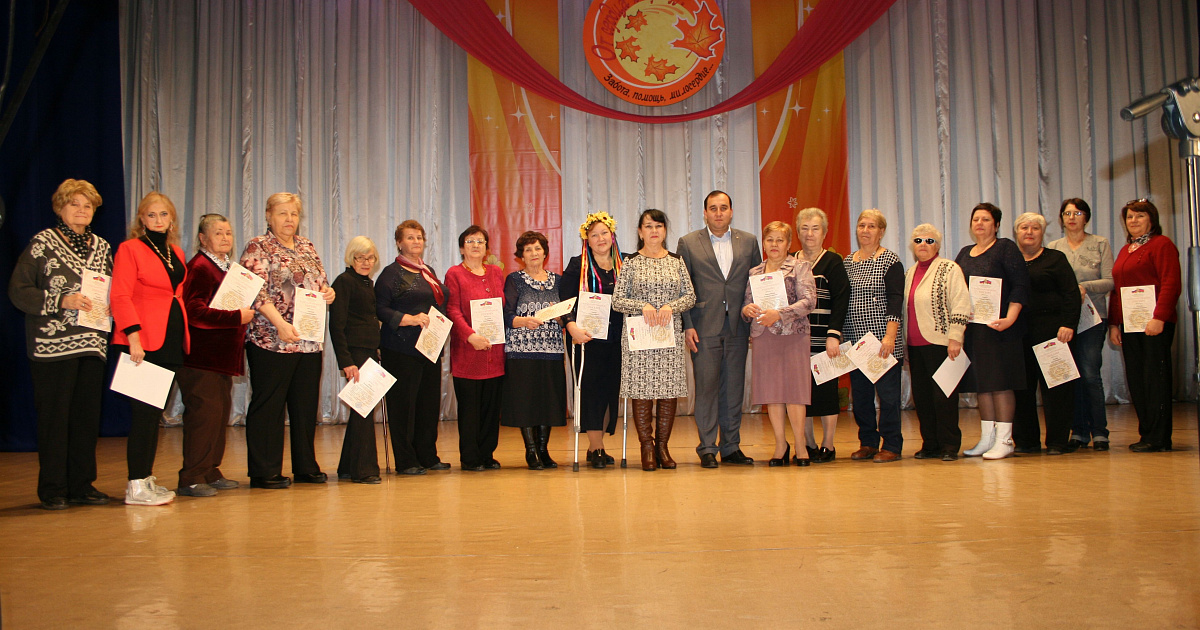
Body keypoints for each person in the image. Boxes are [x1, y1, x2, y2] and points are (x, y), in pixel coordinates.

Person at [8, 179, 114, 510]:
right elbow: (19, 290)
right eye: (74, 204)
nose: (82, 210)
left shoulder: (102, 247)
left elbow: (112, 288)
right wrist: (60, 300)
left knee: (86, 419)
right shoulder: (42, 243)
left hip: (92, 343)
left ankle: (82, 485)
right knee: (55, 419)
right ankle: (53, 488)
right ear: (60, 208)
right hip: (52, 345)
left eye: (88, 205)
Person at [239, 193, 336, 489]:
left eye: (293, 214)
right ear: (269, 216)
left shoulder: (307, 246)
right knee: (269, 406)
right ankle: (264, 470)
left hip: (308, 340)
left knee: (305, 405)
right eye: (282, 213)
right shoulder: (258, 246)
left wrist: (328, 292)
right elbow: (255, 291)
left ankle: (305, 466)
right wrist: (280, 323)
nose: (289, 219)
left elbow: (319, 282)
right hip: (271, 339)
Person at [110, 192, 190, 505]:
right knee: (143, 415)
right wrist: (133, 338)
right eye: (152, 215)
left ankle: (145, 478)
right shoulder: (130, 249)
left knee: (154, 414)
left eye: (164, 214)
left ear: (172, 219)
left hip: (169, 341)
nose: (158, 220)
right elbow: (120, 295)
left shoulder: (176, 252)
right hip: (142, 343)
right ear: (141, 219)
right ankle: (135, 485)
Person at [677, 191, 761, 468]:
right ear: (705, 213)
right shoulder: (689, 242)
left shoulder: (748, 241)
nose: (718, 213)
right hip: (703, 326)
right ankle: (707, 448)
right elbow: (683, 288)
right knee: (707, 389)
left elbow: (756, 283)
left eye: (723, 208)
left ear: (731, 211)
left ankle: (731, 446)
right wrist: (687, 325)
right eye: (713, 208)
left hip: (738, 325)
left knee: (734, 388)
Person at [176, 214, 255, 497]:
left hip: (221, 358)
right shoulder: (199, 267)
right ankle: (191, 477)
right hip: (201, 358)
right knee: (203, 417)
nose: (225, 238)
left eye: (228, 233)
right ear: (202, 238)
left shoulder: (226, 268)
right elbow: (194, 312)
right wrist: (236, 317)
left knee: (218, 415)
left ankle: (209, 470)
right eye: (218, 233)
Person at [613, 209, 696, 470]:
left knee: (668, 392)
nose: (654, 231)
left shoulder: (676, 261)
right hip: (640, 339)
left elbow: (690, 296)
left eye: (658, 226)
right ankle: (646, 448)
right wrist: (642, 305)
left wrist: (672, 306)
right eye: (648, 226)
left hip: (668, 338)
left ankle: (662, 447)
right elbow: (617, 300)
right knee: (642, 392)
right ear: (640, 232)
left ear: (665, 231)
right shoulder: (631, 262)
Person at [955, 202, 1030, 460]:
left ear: (996, 225)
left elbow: (1020, 284)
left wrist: (1010, 317)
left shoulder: (1005, 248)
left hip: (1001, 328)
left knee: (1001, 383)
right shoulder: (964, 254)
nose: (979, 223)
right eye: (976, 219)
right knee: (982, 385)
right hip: (975, 330)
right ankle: (987, 439)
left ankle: (1005, 439)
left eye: (985, 219)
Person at [377, 222, 451, 475]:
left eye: (419, 237)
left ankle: (427, 456)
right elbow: (380, 308)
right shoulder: (391, 273)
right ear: (399, 243)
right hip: (401, 349)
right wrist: (407, 319)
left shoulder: (427, 271)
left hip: (429, 348)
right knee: (403, 407)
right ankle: (406, 460)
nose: (416, 241)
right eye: (410, 237)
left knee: (428, 405)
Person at [741, 221, 816, 466]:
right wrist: (747, 310)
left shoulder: (800, 267)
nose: (774, 244)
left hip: (794, 335)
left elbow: (809, 301)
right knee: (772, 393)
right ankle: (780, 445)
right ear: (764, 243)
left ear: (789, 243)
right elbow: (747, 304)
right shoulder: (755, 272)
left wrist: (780, 314)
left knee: (795, 392)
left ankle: (800, 446)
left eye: (780, 240)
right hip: (764, 337)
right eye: (770, 240)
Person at [1109, 199, 1181, 452]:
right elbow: (1117, 290)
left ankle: (1159, 438)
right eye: (1130, 217)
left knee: (1155, 379)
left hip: (1154, 323)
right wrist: (1114, 323)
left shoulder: (1162, 244)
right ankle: (1147, 433)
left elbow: (1171, 282)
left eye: (1139, 216)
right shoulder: (1125, 250)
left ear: (1152, 219)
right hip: (1131, 324)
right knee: (1137, 379)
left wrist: (1159, 317)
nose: (1134, 221)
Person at [1047, 198, 1114, 451]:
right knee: (1070, 375)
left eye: (1077, 213)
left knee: (1089, 372)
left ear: (1086, 217)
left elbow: (1110, 281)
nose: (1072, 218)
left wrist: (1083, 287)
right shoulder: (1054, 247)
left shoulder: (1100, 244)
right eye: (1067, 213)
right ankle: (1079, 431)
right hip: (1064, 320)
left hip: (1093, 318)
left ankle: (1100, 431)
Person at [1012, 213, 1081, 455]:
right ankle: (1026, 441)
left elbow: (1071, 293)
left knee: (1058, 389)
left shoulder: (1055, 259)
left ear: (1042, 233)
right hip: (1020, 333)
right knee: (1022, 389)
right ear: (1016, 233)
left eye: (1035, 228)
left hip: (1054, 332)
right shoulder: (1011, 261)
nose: (1029, 232)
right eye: (1024, 228)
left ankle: (1058, 441)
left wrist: (1068, 324)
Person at [561, 212, 625, 468]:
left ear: (612, 235)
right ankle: (596, 447)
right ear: (587, 239)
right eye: (594, 235)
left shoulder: (626, 263)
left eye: (604, 233)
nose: (600, 239)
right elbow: (565, 301)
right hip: (586, 340)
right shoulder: (577, 265)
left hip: (618, 339)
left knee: (610, 391)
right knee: (590, 392)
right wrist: (571, 326)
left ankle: (596, 445)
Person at [904, 224, 972, 461]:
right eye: (918, 240)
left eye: (929, 240)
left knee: (944, 397)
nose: (923, 244)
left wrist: (956, 337)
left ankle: (949, 445)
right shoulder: (910, 273)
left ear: (938, 245)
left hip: (941, 343)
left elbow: (961, 303)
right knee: (922, 399)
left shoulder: (949, 269)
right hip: (915, 345)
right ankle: (930, 444)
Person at [501, 231, 568, 470]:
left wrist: (560, 317)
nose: (533, 253)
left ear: (545, 252)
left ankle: (543, 450)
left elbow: (567, 315)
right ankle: (531, 451)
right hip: (521, 350)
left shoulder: (558, 281)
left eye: (537, 248)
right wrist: (523, 321)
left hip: (552, 350)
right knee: (525, 401)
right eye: (528, 250)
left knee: (548, 402)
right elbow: (506, 314)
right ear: (521, 256)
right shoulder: (514, 279)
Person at [844, 209, 905, 463]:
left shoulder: (890, 260)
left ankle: (891, 445)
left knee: (888, 397)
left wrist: (890, 336)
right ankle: (868, 443)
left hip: (882, 341)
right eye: (862, 225)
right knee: (861, 398)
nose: (865, 230)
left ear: (881, 232)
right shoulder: (848, 261)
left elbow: (895, 300)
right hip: (856, 343)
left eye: (871, 226)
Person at [443, 225, 505, 471]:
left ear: (487, 247)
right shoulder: (454, 273)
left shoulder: (495, 272)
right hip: (468, 352)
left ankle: (487, 454)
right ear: (462, 248)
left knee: (491, 410)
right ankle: (470, 458)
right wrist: (470, 336)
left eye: (480, 241)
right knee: (470, 410)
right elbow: (452, 310)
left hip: (494, 352)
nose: (476, 245)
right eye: (470, 241)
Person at [794, 207, 849, 464]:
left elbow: (841, 300)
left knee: (826, 392)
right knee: (800, 394)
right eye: (804, 228)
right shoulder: (791, 261)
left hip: (824, 340)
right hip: (796, 341)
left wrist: (833, 335)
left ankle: (828, 444)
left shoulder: (833, 261)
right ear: (798, 232)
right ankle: (808, 443)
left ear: (824, 232)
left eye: (815, 228)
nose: (810, 233)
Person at [330, 236, 384, 483]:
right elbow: (337, 325)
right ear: (351, 258)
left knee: (360, 409)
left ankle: (348, 467)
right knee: (364, 409)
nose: (366, 262)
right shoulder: (344, 281)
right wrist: (346, 361)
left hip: (368, 351)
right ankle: (364, 470)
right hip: (355, 353)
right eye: (360, 257)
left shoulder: (366, 282)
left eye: (370, 258)